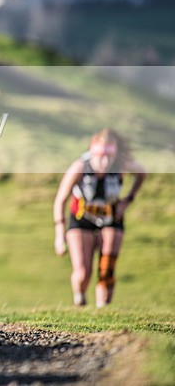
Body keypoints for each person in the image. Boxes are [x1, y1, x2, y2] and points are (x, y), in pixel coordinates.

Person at [52, 128, 146, 307]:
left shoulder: (121, 164)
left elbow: (142, 174)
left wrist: (127, 200)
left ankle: (103, 310)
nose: (104, 160)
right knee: (82, 272)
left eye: (109, 156)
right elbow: (60, 200)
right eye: (100, 154)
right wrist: (59, 234)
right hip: (81, 218)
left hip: (111, 217)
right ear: (93, 150)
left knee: (107, 269)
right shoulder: (80, 166)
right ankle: (80, 301)